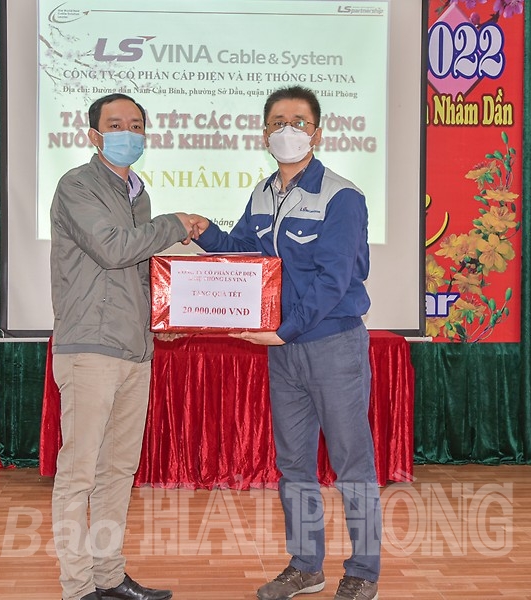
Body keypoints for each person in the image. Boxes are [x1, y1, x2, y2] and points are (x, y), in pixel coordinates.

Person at [188, 86, 382, 600]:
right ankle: (305, 566)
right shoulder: (261, 194)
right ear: (264, 133)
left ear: (317, 132)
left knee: (352, 463)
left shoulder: (341, 196)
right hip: (283, 347)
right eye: (277, 122)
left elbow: (333, 279)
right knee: (294, 464)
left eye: (298, 121)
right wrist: (205, 232)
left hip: (332, 343)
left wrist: (285, 329)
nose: (287, 130)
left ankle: (364, 571)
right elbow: (244, 252)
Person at [50, 92, 199, 600]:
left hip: (135, 349)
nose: (128, 133)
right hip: (90, 347)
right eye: (116, 125)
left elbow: (137, 272)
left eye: (136, 125)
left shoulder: (139, 195)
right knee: (79, 474)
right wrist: (176, 224)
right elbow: (113, 249)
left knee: (118, 471)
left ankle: (108, 576)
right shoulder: (77, 185)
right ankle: (78, 588)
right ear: (94, 135)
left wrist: (162, 317)